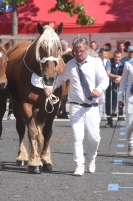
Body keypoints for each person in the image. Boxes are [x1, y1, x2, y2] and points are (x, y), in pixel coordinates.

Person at [46, 37, 108, 176]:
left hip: (92, 106)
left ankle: (91, 159)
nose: (78, 54)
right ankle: (79, 165)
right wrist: (50, 87)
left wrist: (98, 89)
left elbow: (105, 80)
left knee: (94, 138)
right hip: (75, 106)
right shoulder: (70, 65)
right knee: (77, 137)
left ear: (86, 49)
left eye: (81, 51)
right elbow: (61, 79)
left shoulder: (96, 62)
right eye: (75, 51)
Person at [105, 51, 124, 127]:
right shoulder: (109, 61)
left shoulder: (123, 64)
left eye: (119, 57)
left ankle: (117, 112)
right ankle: (109, 121)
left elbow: (125, 74)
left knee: (117, 94)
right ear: (114, 56)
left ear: (121, 57)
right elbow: (108, 73)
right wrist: (118, 77)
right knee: (108, 103)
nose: (117, 59)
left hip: (119, 84)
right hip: (109, 84)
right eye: (116, 57)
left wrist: (120, 79)